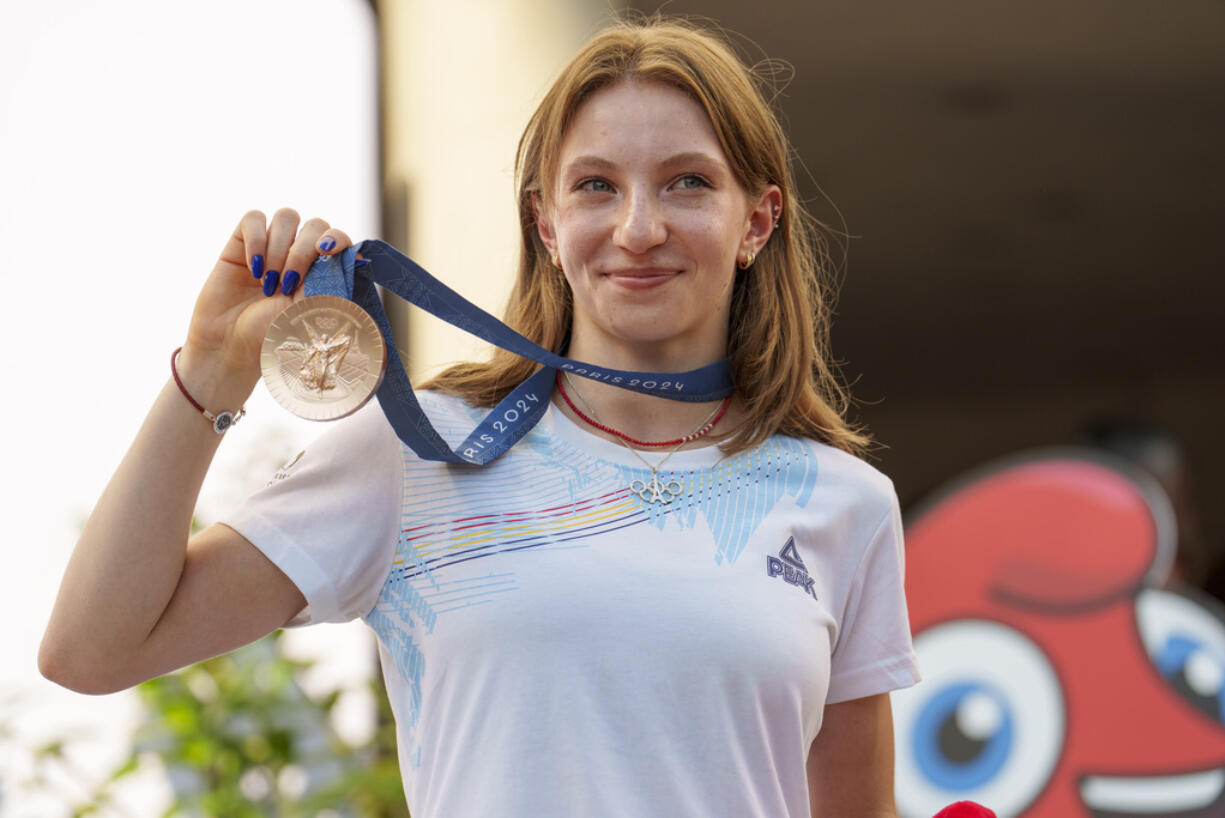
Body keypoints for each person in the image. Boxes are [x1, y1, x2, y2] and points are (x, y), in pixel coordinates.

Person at [40, 17, 920, 817]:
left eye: (687, 183)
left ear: (758, 222)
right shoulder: (414, 454)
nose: (640, 227)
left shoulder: (843, 502)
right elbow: (90, 650)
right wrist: (210, 370)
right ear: (546, 222)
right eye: (596, 187)